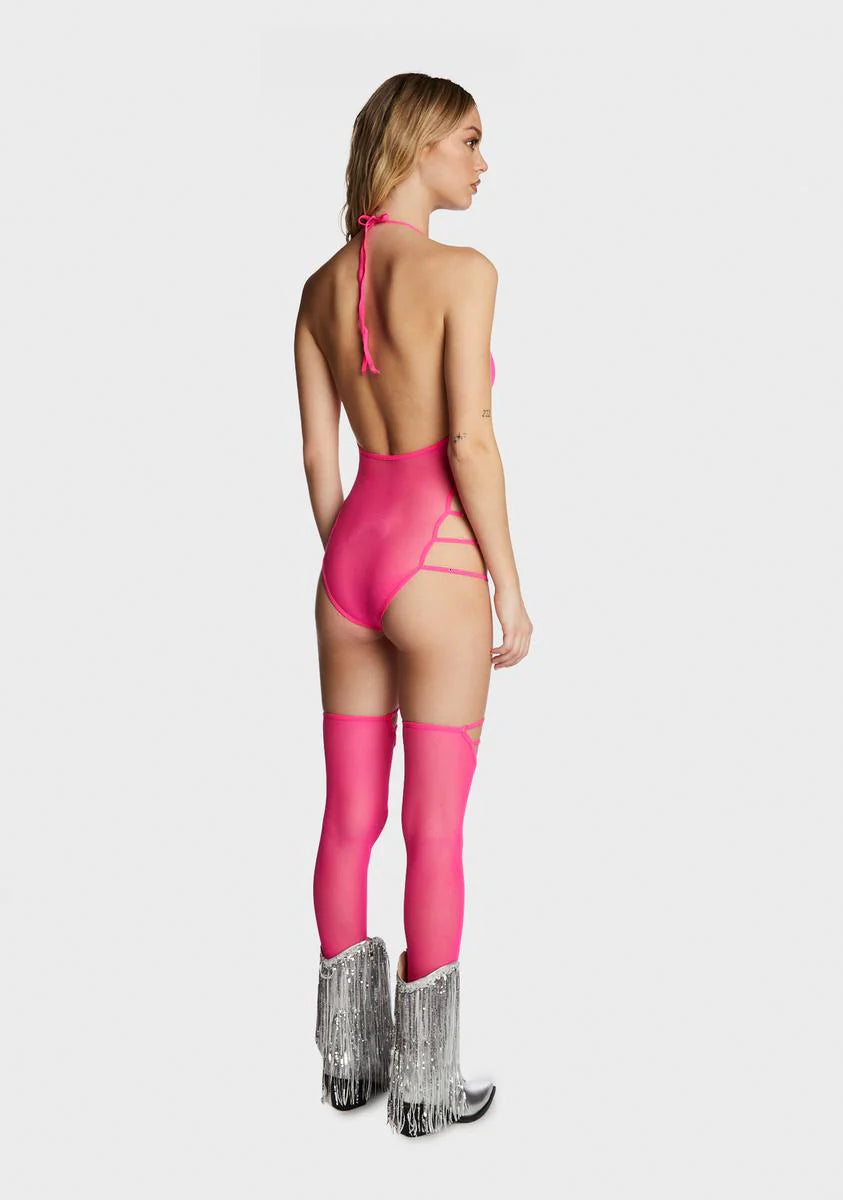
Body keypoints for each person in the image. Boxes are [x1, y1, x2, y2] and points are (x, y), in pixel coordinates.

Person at [294, 72, 533, 1137]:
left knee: (349, 816)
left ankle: (350, 1065)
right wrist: (507, 585)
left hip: (348, 563)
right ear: (420, 142)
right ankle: (427, 1088)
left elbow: (319, 459)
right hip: (437, 560)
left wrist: (355, 561)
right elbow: (470, 441)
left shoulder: (316, 289)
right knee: (434, 827)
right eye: (469, 140)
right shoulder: (464, 273)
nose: (482, 163)